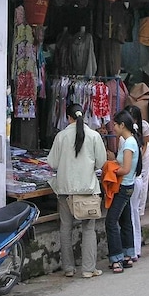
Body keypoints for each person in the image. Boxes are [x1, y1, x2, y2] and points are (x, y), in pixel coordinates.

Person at [47, 104, 107, 279]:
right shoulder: (94, 136)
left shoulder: (61, 136)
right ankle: (88, 269)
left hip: (65, 190)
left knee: (65, 228)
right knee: (88, 229)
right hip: (87, 190)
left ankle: (68, 268)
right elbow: (101, 162)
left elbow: (52, 163)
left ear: (68, 118)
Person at [105, 109, 141, 274]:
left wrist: (109, 169)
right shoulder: (131, 141)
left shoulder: (128, 144)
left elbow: (125, 169)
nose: (113, 127)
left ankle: (116, 259)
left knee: (111, 221)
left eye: (115, 125)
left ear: (122, 125)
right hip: (128, 185)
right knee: (125, 220)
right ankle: (128, 254)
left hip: (123, 186)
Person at [123, 105, 149, 262]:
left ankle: (132, 249)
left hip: (136, 171)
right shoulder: (127, 138)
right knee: (132, 212)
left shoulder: (130, 139)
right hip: (134, 172)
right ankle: (134, 248)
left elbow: (145, 145)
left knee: (132, 212)